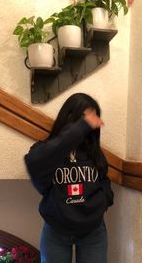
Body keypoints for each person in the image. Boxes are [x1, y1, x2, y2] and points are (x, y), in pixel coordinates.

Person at [24, 93, 114, 263]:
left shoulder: (93, 151)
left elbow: (103, 178)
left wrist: (105, 200)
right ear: (70, 117)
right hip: (56, 231)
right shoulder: (45, 151)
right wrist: (80, 127)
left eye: (92, 120)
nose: (90, 125)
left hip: (93, 232)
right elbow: (33, 164)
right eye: (85, 119)